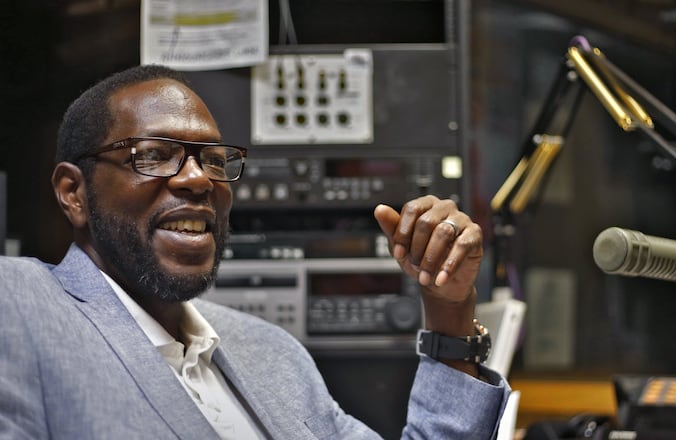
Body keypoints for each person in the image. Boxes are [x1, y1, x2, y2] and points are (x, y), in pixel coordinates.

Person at [0, 64, 509, 439]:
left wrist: (449, 311)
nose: (199, 179)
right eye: (155, 155)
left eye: (214, 159)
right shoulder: (20, 305)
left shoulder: (272, 352)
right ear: (74, 193)